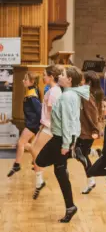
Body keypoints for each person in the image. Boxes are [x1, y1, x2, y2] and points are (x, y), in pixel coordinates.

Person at [35, 66, 89, 223]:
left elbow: (67, 121)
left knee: (40, 161)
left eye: (63, 74)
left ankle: (73, 153)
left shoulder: (66, 97)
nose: (60, 75)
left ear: (69, 80)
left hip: (61, 139)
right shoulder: (71, 94)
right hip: (67, 137)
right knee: (60, 172)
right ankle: (70, 207)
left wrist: (66, 144)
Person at [28, 65, 63, 199]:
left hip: (50, 128)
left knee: (36, 153)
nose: (43, 77)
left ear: (51, 77)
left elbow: (54, 113)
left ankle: (39, 180)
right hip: (46, 126)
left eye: (44, 75)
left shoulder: (54, 92)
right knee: (33, 149)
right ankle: (39, 179)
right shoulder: (52, 90)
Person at [74, 70, 104, 194]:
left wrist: (95, 129)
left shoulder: (87, 95)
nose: (81, 82)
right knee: (80, 153)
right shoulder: (95, 93)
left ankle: (91, 179)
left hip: (87, 131)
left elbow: (91, 114)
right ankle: (94, 152)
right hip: (88, 130)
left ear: (88, 82)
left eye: (82, 80)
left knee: (79, 153)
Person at [7, 72, 41, 177]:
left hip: (32, 124)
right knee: (28, 146)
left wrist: (38, 125)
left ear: (32, 81)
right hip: (31, 123)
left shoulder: (32, 95)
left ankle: (17, 164)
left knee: (20, 143)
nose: (23, 81)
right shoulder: (31, 91)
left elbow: (39, 111)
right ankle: (37, 164)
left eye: (25, 79)